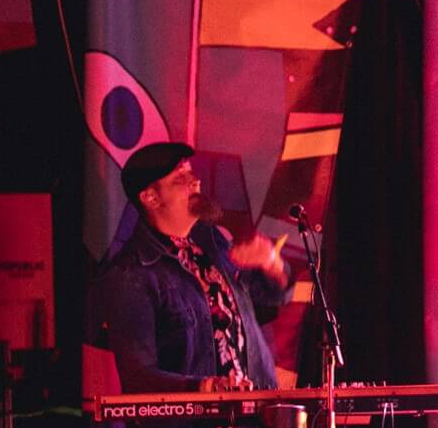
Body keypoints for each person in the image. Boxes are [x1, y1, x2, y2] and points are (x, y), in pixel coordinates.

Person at [89, 142, 292, 408]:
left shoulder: (213, 242)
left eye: (191, 173)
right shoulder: (131, 274)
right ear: (151, 197)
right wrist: (203, 388)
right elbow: (138, 377)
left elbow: (272, 298)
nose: (195, 182)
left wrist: (271, 263)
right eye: (180, 179)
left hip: (254, 424)